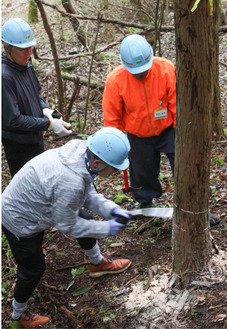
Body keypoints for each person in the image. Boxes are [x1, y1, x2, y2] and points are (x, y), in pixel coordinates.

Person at [2, 127, 132, 328]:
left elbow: (86, 193)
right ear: (97, 163)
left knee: (84, 216)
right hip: (20, 220)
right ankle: (18, 315)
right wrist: (106, 228)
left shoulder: (82, 155)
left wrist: (111, 210)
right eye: (114, 168)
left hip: (42, 206)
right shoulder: (69, 180)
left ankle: (97, 264)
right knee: (33, 268)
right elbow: (67, 224)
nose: (116, 173)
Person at [102, 34, 176, 208]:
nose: (141, 74)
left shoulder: (165, 69)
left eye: (144, 69)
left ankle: (194, 201)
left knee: (183, 164)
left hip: (168, 128)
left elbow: (176, 102)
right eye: (136, 71)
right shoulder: (115, 80)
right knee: (142, 170)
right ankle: (145, 201)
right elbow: (112, 117)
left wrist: (181, 128)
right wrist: (116, 144)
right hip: (137, 133)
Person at [1, 17, 72, 178]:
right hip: (18, 146)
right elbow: (12, 120)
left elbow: (35, 93)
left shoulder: (26, 63)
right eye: (22, 49)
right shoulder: (4, 77)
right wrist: (48, 123)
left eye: (30, 48)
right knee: (26, 188)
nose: (28, 53)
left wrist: (45, 109)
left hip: (35, 138)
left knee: (42, 182)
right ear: (7, 48)